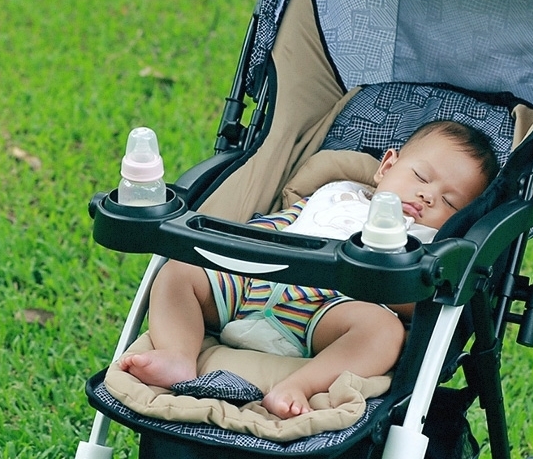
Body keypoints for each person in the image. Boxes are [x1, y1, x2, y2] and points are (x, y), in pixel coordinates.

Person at [120, 120, 500, 419]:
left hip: (326, 314)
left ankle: (297, 386)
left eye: (449, 201)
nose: (427, 195)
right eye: (420, 177)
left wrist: (398, 284)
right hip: (248, 284)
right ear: (386, 166)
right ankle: (178, 355)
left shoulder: (427, 242)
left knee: (382, 333)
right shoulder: (336, 193)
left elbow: (416, 306)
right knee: (179, 269)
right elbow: (280, 223)